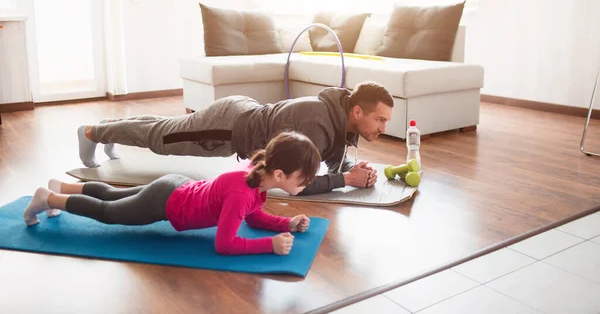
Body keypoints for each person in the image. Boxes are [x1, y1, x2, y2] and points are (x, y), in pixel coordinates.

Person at [23, 132, 321, 256]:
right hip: (166, 202)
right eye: (303, 178)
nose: (306, 183)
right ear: (280, 175)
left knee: (114, 195)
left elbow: (252, 217)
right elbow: (225, 244)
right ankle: (48, 198)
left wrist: (287, 224)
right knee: (108, 213)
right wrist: (270, 245)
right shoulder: (243, 192)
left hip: (176, 186)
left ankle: (61, 186)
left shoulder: (256, 176)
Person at [77, 81, 394, 196]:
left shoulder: (339, 122)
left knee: (167, 127)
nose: (382, 127)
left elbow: (332, 160)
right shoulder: (316, 126)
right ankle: (93, 131)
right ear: (356, 111)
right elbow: (299, 184)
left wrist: (354, 169)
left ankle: (110, 126)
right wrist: (346, 180)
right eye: (379, 119)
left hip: (242, 115)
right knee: (160, 138)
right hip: (227, 127)